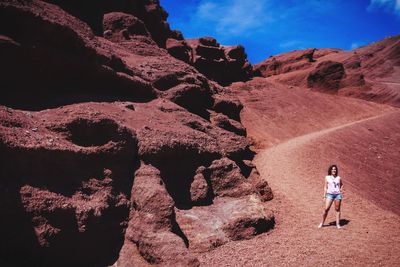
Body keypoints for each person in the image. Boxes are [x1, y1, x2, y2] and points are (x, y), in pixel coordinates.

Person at [318, 165, 343, 229]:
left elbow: (341, 185)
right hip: (329, 195)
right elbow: (325, 187)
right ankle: (322, 223)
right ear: (330, 170)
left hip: (337, 195)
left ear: (336, 170)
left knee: (337, 209)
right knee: (326, 209)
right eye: (332, 169)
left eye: (335, 169)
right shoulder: (327, 177)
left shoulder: (338, 178)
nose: (334, 170)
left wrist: (340, 191)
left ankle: (338, 224)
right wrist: (324, 196)